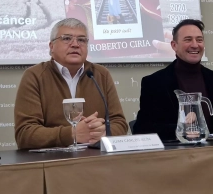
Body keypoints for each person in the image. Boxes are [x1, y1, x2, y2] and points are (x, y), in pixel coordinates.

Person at [14, 18, 128, 149]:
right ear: (51, 46)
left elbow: (120, 124)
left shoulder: (100, 74)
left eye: (81, 40)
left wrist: (104, 132)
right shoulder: (35, 76)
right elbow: (25, 134)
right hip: (54, 163)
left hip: (96, 161)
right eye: (67, 38)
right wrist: (72, 134)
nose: (75, 44)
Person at [132, 19, 213, 140]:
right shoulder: (154, 82)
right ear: (174, 45)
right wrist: (181, 129)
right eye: (188, 40)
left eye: (199, 40)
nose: (195, 45)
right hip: (176, 155)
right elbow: (142, 128)